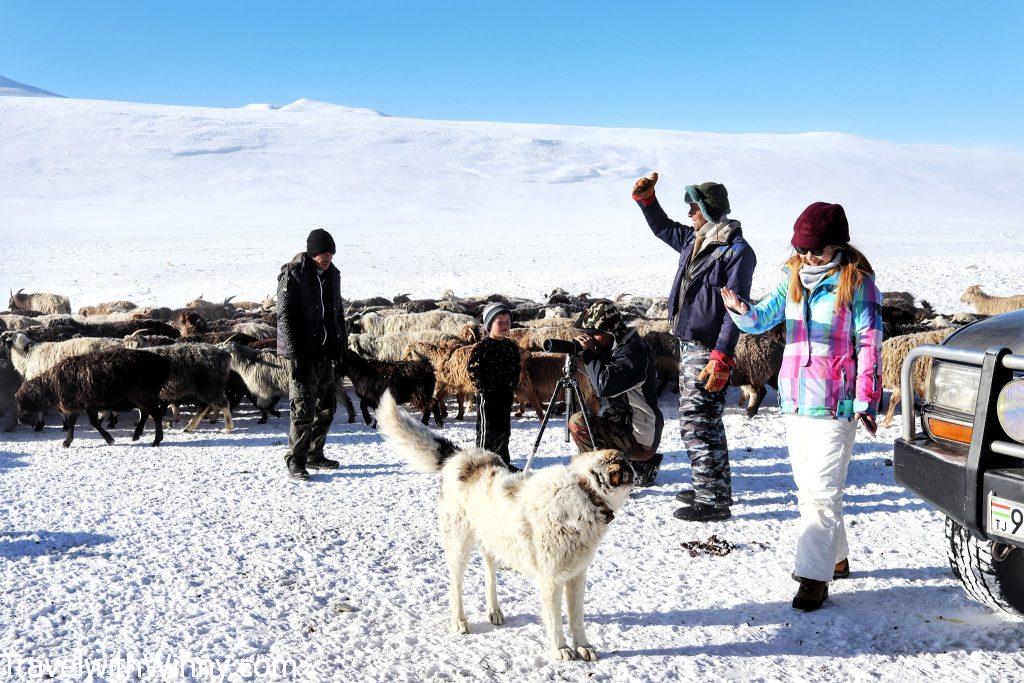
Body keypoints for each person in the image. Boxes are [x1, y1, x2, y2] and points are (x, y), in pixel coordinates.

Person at [721, 201, 882, 611]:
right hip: (794, 399)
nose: (808, 257)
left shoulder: (857, 282)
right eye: (802, 249)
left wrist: (866, 397)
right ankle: (837, 558)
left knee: (823, 491)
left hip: (836, 401)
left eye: (816, 250)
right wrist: (742, 311)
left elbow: (869, 344)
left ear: (836, 245)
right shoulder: (792, 277)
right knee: (808, 488)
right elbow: (763, 319)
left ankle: (813, 576)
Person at [632, 172, 756, 521]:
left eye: (694, 208)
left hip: (708, 346)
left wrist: (722, 355)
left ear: (708, 210)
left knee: (697, 420)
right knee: (704, 418)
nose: (689, 214)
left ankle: (713, 499)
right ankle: (712, 485)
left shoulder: (737, 252)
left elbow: (734, 310)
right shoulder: (695, 240)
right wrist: (647, 201)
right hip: (687, 343)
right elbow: (662, 228)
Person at [276, 228, 349, 481]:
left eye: (330, 253)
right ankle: (295, 460)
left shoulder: (333, 275)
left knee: (327, 407)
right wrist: (294, 355)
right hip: (303, 355)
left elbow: (337, 313)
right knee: (302, 409)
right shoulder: (293, 275)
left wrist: (342, 347)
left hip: (325, 354)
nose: (327, 258)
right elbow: (284, 317)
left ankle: (314, 453)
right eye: (322, 254)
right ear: (312, 253)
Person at [567, 302, 665, 486]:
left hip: (640, 437)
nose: (590, 339)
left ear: (610, 331)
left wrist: (590, 354)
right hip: (622, 425)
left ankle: (608, 476)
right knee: (585, 422)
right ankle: (636, 465)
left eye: (593, 334)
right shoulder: (616, 345)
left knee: (578, 423)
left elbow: (605, 386)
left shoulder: (632, 352)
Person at [467, 302, 521, 470]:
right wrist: (484, 388)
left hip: (505, 395)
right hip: (488, 397)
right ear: (490, 325)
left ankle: (502, 463)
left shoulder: (511, 346)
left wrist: (512, 384)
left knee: (504, 430)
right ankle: (482, 465)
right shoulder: (482, 347)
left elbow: (517, 367)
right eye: (500, 322)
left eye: (508, 322)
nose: (505, 326)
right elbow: (473, 370)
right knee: (487, 430)